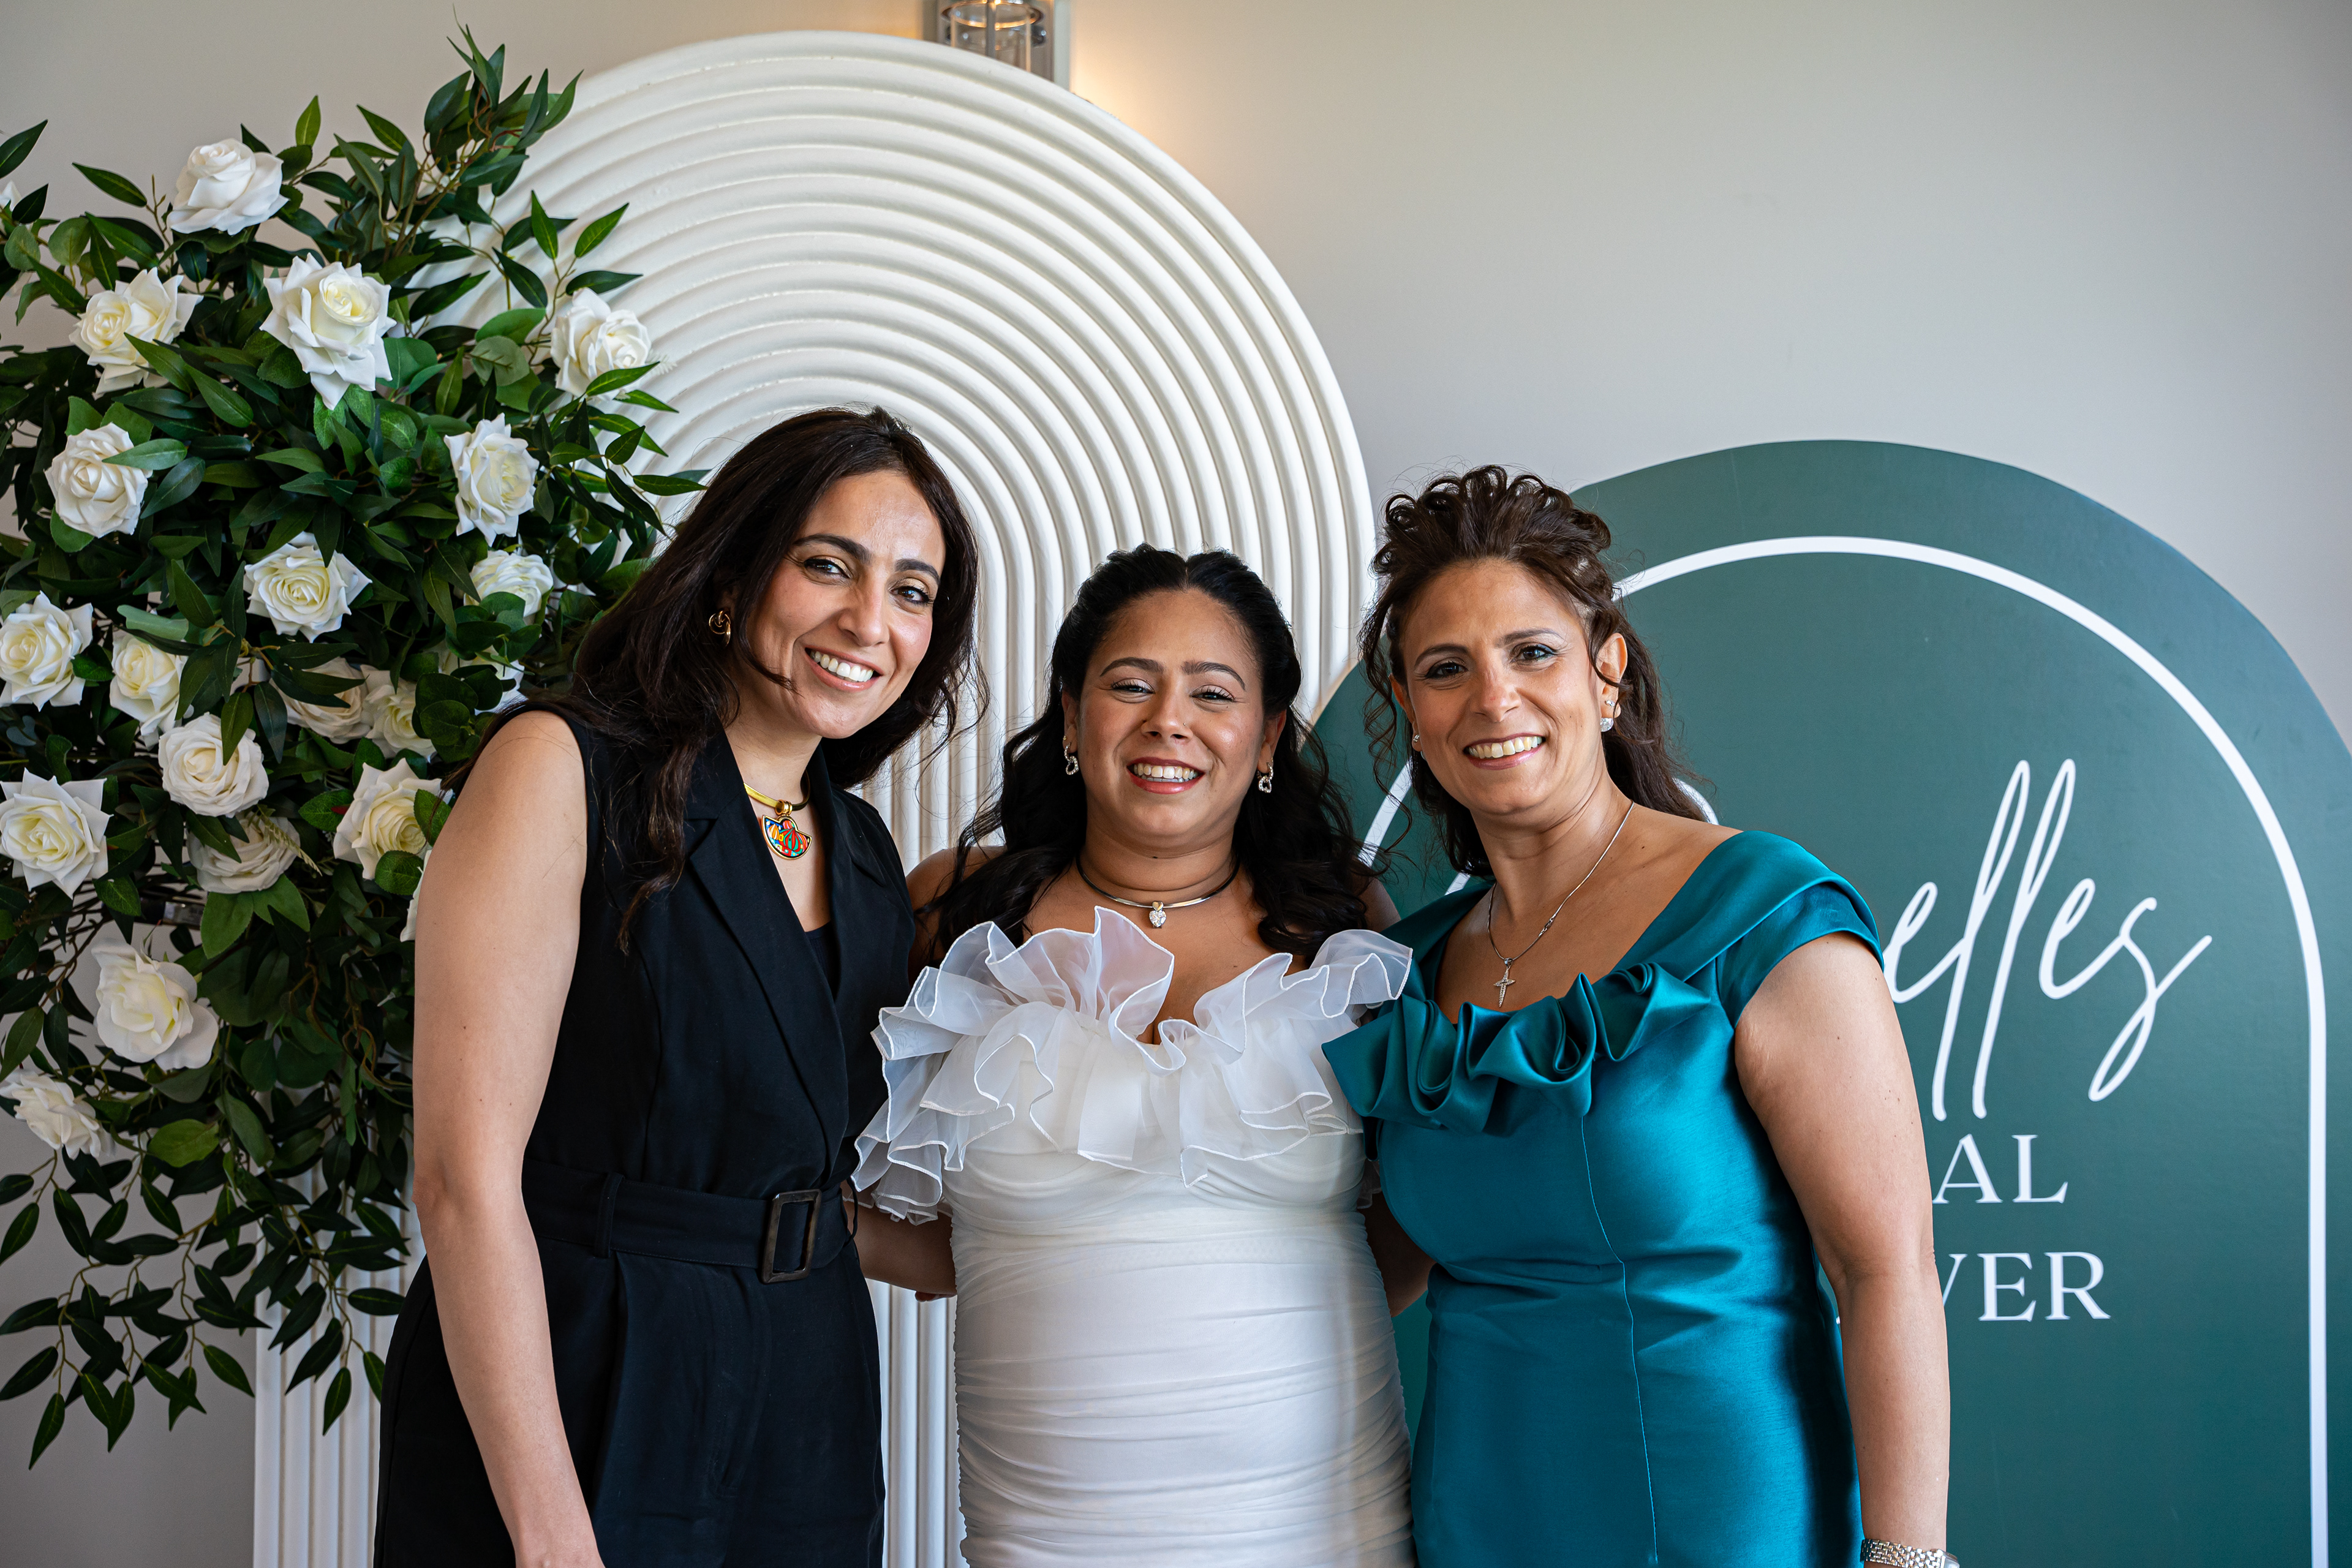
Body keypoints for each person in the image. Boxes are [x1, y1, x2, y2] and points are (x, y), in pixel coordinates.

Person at [374, 407, 980, 1567]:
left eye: (913, 591)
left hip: (808, 1398)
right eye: (828, 565)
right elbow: (460, 1183)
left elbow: (811, 1180)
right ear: (731, 576)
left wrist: (1046, 1242)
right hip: (583, 1372)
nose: (870, 621)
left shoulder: (861, 852)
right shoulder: (559, 767)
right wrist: (552, 1537)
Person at [1322, 468, 1953, 1568]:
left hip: (1725, 1528)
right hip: (1477, 1526)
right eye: (1446, 669)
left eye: (1532, 653)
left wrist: (1910, 1562)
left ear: (1606, 672)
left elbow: (1884, 1271)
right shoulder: (1407, 968)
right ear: (1412, 714)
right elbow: (1375, 1267)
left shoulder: (1760, 909)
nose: (1494, 699)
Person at [852, 546, 1416, 1566]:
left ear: (1267, 737)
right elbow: (875, 1203)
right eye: (1130, 685)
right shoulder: (956, 910)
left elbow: (1422, 1210)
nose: (1169, 721)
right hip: (1046, 1530)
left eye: (1213, 692)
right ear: (1072, 719)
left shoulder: (1341, 921)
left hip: (1328, 1519)